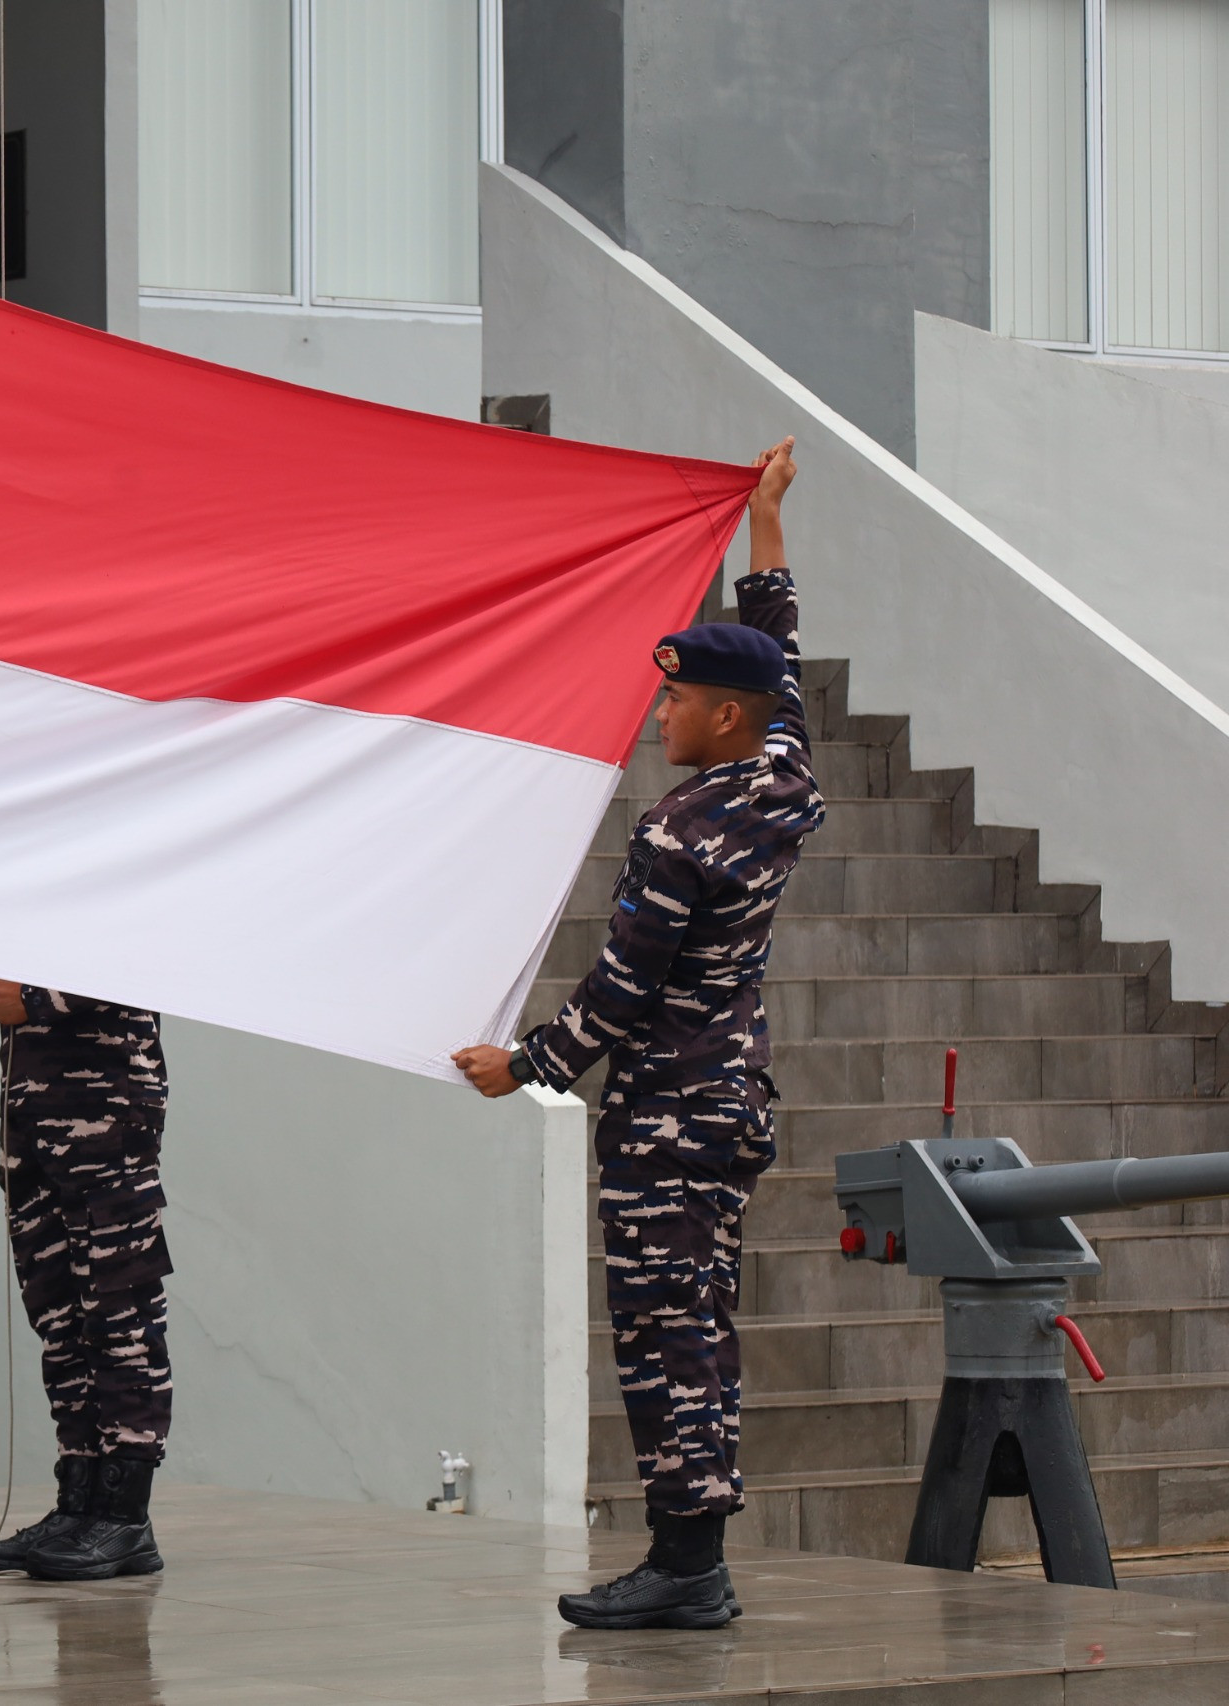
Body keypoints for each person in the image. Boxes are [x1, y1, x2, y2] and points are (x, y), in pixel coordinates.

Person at [454, 438, 819, 1631]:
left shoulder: (681, 833)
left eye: (675, 700)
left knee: (667, 1339)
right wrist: (764, 523)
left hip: (667, 1117)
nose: (659, 713)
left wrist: (523, 1065)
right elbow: (779, 651)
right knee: (698, 1321)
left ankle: (685, 1565)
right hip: (730, 1102)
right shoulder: (780, 772)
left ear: (723, 714)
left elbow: (619, 990)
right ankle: (687, 1557)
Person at [0, 979, 173, 1581]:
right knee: (59, 1319)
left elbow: (144, 956)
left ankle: (124, 1517)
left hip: (107, 1117)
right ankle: (79, 1503)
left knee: (120, 1314)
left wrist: (35, 1000)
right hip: (31, 1117)